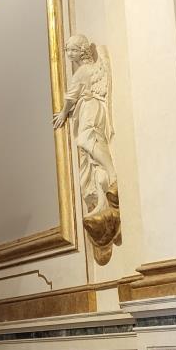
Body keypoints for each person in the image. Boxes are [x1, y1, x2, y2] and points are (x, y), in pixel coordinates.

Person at [53, 34, 116, 215]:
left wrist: (63, 113)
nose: (69, 54)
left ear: (82, 51)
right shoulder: (90, 69)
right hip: (89, 109)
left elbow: (71, 96)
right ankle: (101, 191)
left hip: (90, 109)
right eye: (67, 50)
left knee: (88, 141)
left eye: (73, 50)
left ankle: (112, 173)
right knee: (89, 147)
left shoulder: (82, 72)